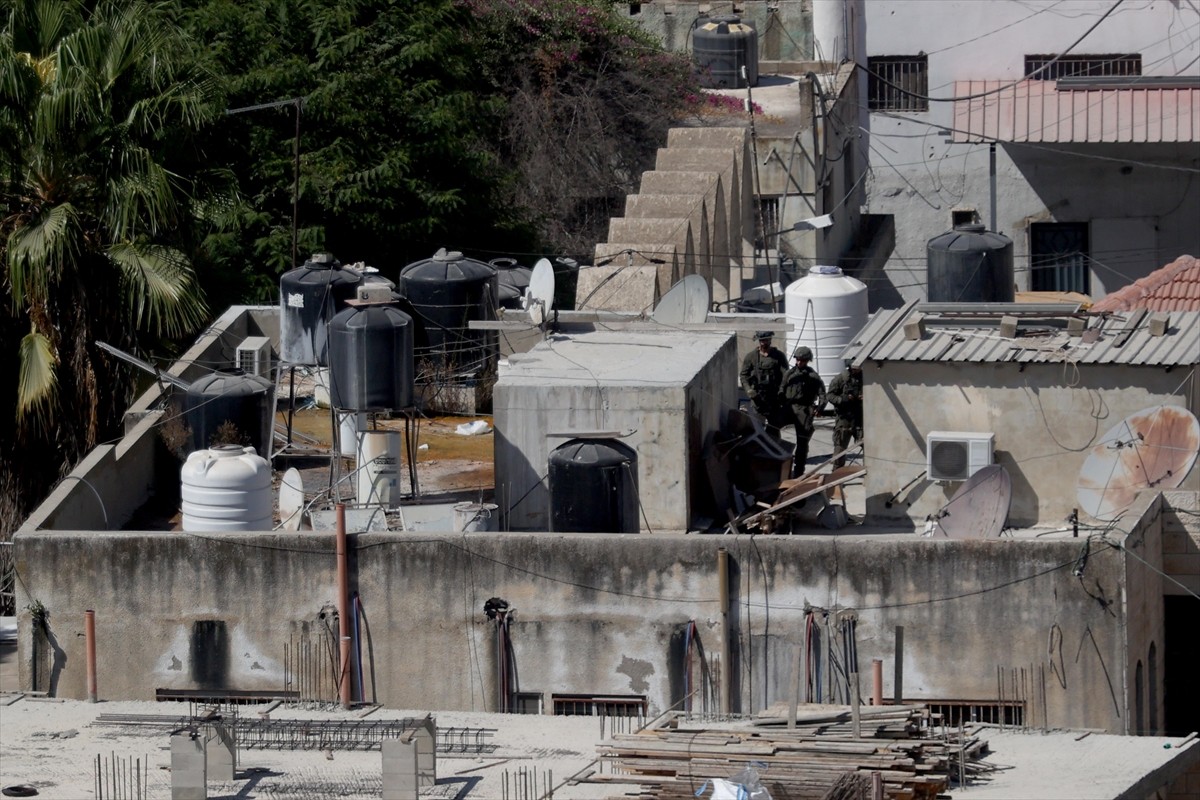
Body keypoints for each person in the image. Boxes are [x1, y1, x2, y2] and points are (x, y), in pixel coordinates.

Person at [779, 346, 825, 478]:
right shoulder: (789, 374)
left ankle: (799, 471)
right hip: (789, 407)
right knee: (772, 428)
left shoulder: (813, 376)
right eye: (797, 360)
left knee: (802, 442)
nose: (799, 363)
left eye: (802, 360)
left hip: (804, 410)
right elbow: (782, 388)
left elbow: (822, 394)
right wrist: (781, 399)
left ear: (807, 361)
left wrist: (820, 408)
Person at [739, 331, 788, 429]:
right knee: (756, 427)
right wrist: (749, 389)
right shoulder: (751, 357)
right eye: (761, 341)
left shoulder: (779, 356)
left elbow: (786, 376)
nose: (763, 343)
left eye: (766, 340)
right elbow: (744, 375)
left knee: (774, 428)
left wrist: (782, 391)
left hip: (774, 397)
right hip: (758, 397)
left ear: (770, 340)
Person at [826, 359, 864, 467]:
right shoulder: (840, 379)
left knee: (867, 445)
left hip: (860, 417)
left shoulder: (866, 378)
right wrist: (844, 399)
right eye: (855, 368)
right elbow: (830, 396)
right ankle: (836, 472)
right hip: (844, 418)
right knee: (840, 448)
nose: (857, 370)